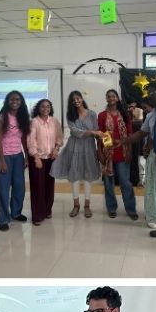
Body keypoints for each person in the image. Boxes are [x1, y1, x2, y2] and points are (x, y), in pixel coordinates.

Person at [128, 82, 156, 239]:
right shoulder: (152, 115)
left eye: (151, 93)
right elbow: (141, 133)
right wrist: (123, 141)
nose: (148, 96)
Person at [50, 90, 101, 219]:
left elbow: (97, 132)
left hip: (89, 147)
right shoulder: (70, 115)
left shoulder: (92, 114)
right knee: (75, 176)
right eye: (73, 100)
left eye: (78, 98)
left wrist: (100, 147)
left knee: (88, 176)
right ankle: (76, 205)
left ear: (82, 99)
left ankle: (87, 205)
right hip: (75, 147)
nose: (76, 101)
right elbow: (75, 132)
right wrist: (93, 132)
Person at [0, 91, 30, 231]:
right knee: (3, 189)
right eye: (12, 99)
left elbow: (23, 139)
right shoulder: (2, 118)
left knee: (20, 187)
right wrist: (1, 160)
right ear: (7, 101)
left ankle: (16, 213)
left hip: (18, 156)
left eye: (18, 99)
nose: (15, 101)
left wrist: (25, 156)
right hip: (3, 157)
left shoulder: (22, 118)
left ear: (21, 102)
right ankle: (3, 219)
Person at [98, 89, 138, 219]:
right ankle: (111, 208)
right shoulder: (102, 115)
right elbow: (101, 134)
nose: (111, 98)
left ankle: (131, 209)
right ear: (106, 99)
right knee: (109, 183)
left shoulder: (125, 114)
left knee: (125, 182)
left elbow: (130, 133)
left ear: (117, 98)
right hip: (108, 152)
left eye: (113, 96)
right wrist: (102, 151)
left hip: (123, 152)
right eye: (108, 96)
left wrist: (129, 150)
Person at [26, 98, 62, 225]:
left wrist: (57, 149)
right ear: (38, 108)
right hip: (38, 158)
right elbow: (31, 141)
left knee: (49, 186)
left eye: (48, 106)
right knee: (37, 187)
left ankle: (47, 210)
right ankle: (37, 215)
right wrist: (36, 157)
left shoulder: (54, 121)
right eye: (42, 106)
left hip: (51, 158)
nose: (45, 109)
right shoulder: (34, 122)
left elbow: (59, 137)